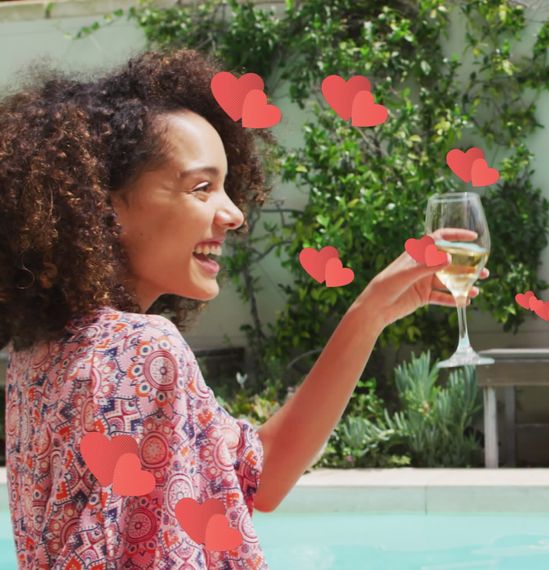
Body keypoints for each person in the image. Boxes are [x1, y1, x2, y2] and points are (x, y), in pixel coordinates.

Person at [0, 49, 484, 568]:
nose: (233, 215)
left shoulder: (40, 356)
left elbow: (262, 474)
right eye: (201, 187)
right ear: (105, 205)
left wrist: (368, 315)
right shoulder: (140, 348)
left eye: (228, 188)